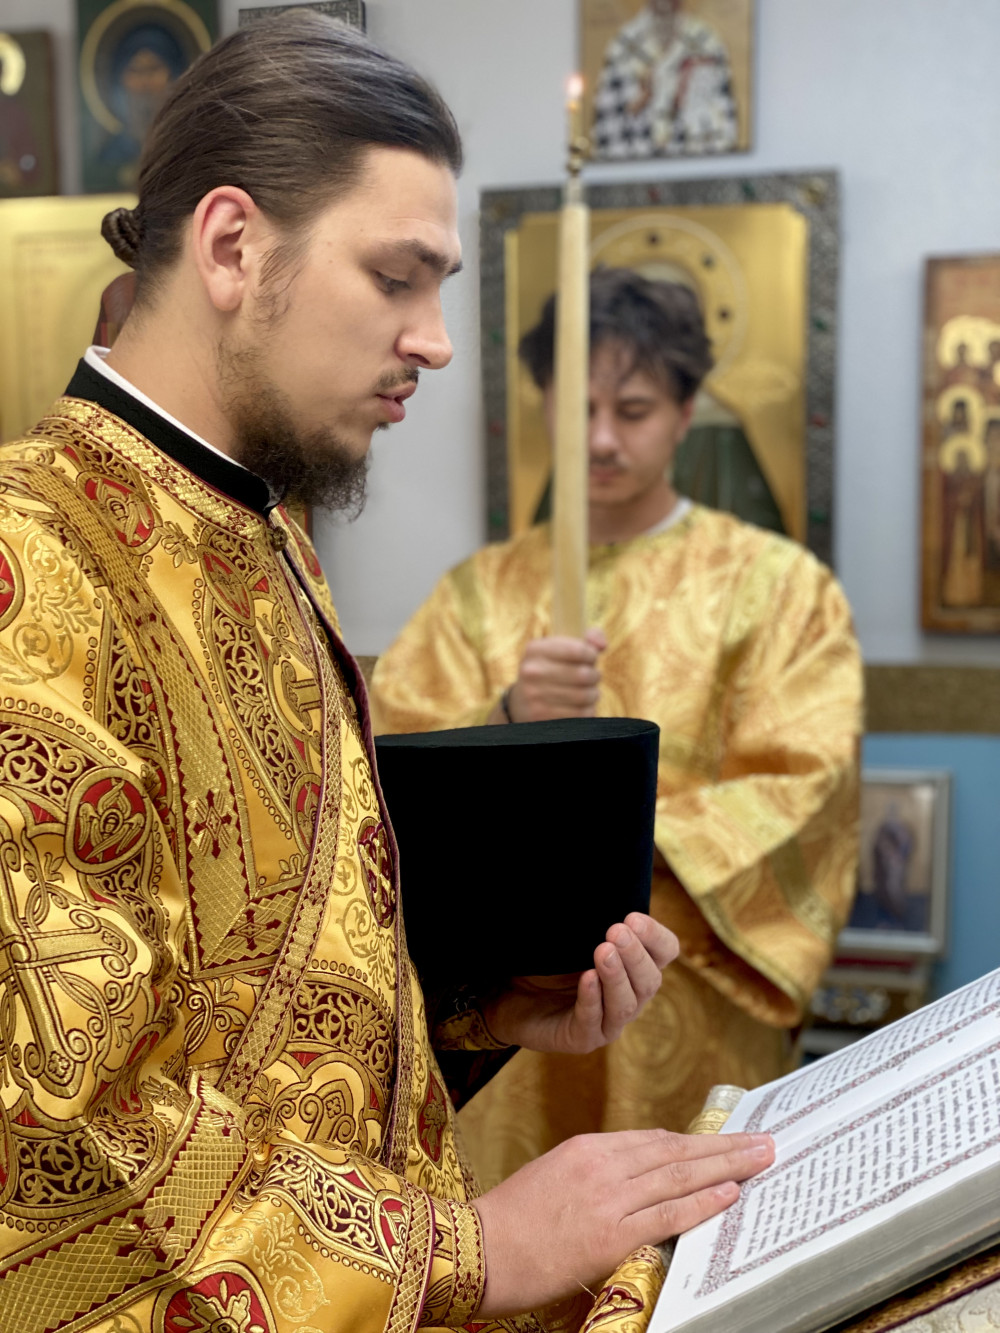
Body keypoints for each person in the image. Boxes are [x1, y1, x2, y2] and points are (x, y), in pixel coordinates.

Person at [0, 17, 775, 1332]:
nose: (438, 341)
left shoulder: (266, 541)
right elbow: (61, 1135)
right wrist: (472, 1250)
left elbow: (262, 1010)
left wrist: (471, 1011)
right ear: (232, 246)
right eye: (397, 278)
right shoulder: (32, 562)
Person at [371, 268, 863, 1188]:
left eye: (632, 410)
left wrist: (604, 843)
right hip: (512, 1028)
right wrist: (509, 720)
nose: (600, 438)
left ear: (684, 414)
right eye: (579, 409)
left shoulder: (778, 587)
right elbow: (386, 782)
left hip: (680, 992)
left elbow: (808, 787)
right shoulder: (479, 593)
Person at [590, 0, 738, 160]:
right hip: (637, 161)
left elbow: (723, 114)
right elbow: (609, 118)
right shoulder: (624, 45)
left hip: (692, 161)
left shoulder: (705, 42)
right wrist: (643, 97)